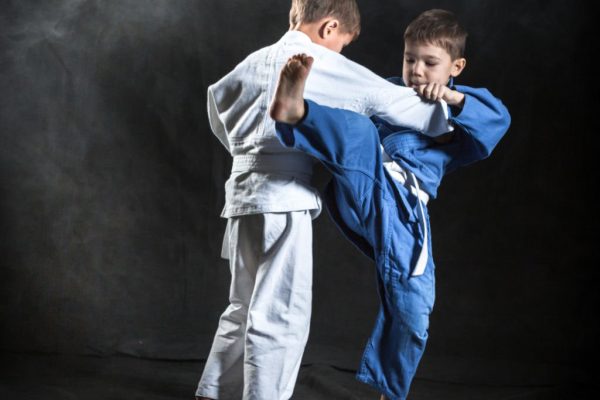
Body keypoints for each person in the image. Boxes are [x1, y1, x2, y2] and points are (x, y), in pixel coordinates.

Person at [196, 1, 453, 399]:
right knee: (280, 313)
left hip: (242, 196)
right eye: (343, 45)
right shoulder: (320, 61)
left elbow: (217, 110)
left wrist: (247, 153)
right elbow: (392, 101)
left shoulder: (249, 64)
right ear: (330, 27)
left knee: (241, 306)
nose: (340, 54)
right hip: (285, 195)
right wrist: (445, 114)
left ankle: (214, 392)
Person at [269, 9, 511, 399]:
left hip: (402, 212)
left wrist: (451, 96)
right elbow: (348, 97)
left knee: (415, 308)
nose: (417, 70)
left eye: (430, 63)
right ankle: (296, 112)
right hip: (362, 182)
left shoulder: (454, 112)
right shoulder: (386, 90)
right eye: (410, 58)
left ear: (456, 66)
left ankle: (390, 392)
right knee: (361, 128)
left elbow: (498, 120)